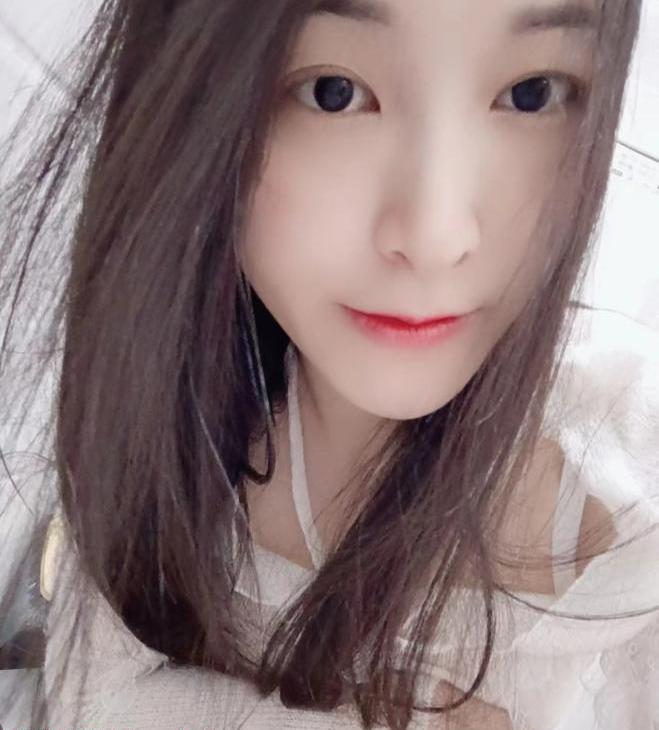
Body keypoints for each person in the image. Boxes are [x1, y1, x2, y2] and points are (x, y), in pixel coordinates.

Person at [0, 0, 657, 728]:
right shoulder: (164, 426)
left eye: (531, 93)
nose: (436, 236)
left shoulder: (630, 498)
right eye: (333, 92)